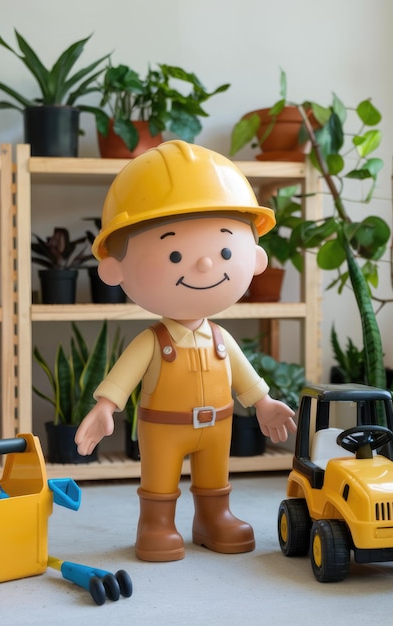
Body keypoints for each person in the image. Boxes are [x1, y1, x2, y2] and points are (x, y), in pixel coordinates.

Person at [75, 140, 297, 562]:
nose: (206, 265)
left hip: (219, 426)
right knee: (160, 481)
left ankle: (214, 519)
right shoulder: (152, 342)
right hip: (163, 429)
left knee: (215, 477)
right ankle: (156, 524)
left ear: (256, 258)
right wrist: (106, 406)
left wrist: (264, 403)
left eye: (226, 250)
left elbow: (245, 378)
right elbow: (122, 379)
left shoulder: (221, 339)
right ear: (114, 270)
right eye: (175, 252)